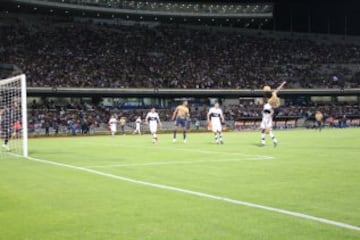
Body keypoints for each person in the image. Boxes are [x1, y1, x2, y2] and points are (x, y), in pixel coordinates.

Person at [260, 81, 286, 147]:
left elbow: (271, 111)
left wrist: (270, 114)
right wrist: (282, 84)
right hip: (265, 118)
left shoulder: (269, 103)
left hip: (267, 118)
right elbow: (278, 89)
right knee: (264, 130)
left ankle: (271, 141)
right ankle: (266, 142)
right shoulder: (268, 101)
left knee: (266, 130)